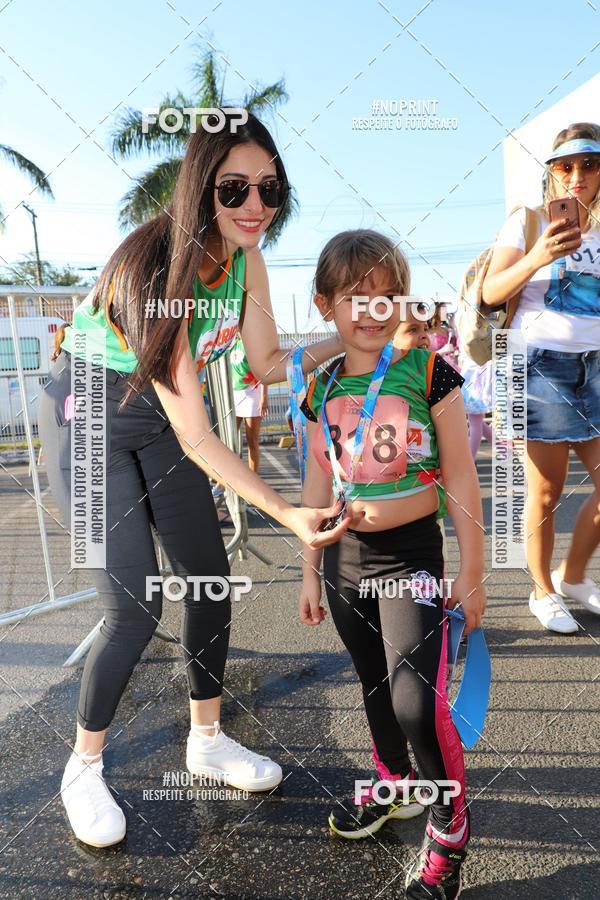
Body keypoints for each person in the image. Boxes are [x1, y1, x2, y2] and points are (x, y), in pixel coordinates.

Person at [38, 110, 351, 849]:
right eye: (234, 188)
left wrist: (353, 334)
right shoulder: (154, 267)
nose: (255, 205)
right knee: (134, 606)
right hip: (88, 415)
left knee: (209, 578)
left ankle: (205, 741)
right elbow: (200, 434)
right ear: (200, 187)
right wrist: (288, 512)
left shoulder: (247, 259)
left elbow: (267, 364)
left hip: (155, 414)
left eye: (270, 189)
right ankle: (83, 767)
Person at [298, 230, 486, 899]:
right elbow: (316, 482)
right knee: (374, 684)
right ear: (325, 305)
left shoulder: (431, 372)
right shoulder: (318, 387)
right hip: (343, 561)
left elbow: (460, 475)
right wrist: (308, 569)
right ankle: (394, 783)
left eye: (386, 296)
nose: (373, 310)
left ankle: (449, 833)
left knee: (415, 701)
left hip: (412, 558)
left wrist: (472, 573)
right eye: (356, 297)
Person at [482, 122, 600, 634]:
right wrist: (539, 256)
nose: (577, 176)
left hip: (596, 366)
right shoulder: (528, 222)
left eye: (590, 164)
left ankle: (572, 577)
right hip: (539, 365)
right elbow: (491, 292)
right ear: (551, 173)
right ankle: (543, 590)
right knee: (547, 492)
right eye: (565, 165)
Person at [230, 332, 268, 473]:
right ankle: (227, 477)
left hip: (252, 394)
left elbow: (263, 372)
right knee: (229, 439)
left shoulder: (252, 346)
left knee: (252, 440)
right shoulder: (231, 345)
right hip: (234, 395)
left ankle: (253, 477)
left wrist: (264, 397)